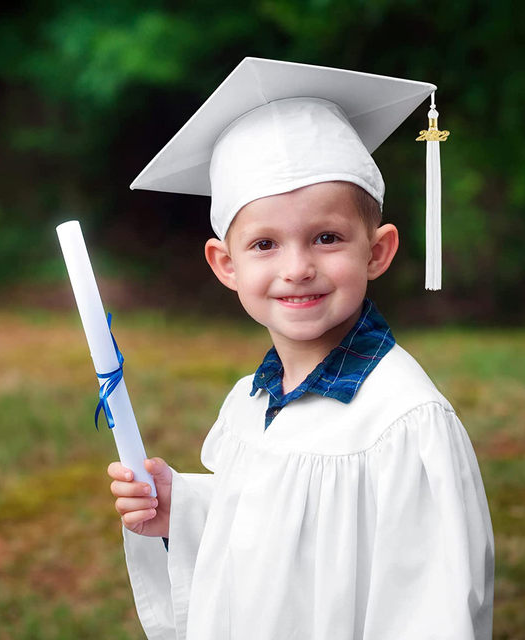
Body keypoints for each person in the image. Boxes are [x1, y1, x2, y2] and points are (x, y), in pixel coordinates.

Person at [107, 58, 494, 639]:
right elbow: (271, 543)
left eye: (327, 237)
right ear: (226, 265)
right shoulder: (251, 400)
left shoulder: (404, 425)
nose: (298, 268)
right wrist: (181, 511)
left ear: (378, 251)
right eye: (265, 243)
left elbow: (427, 613)